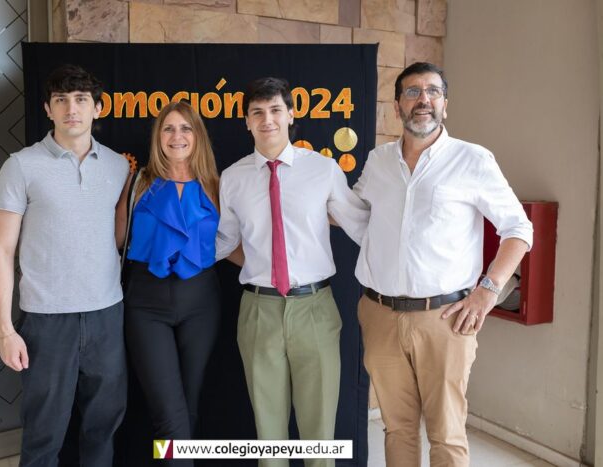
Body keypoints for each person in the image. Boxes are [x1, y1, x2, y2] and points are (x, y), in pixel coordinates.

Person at [353, 62, 534, 466]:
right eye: (412, 92)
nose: (424, 100)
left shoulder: (472, 159)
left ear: (445, 105)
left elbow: (519, 229)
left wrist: (488, 291)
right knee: (397, 429)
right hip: (379, 314)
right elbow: (357, 213)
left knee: (446, 434)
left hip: (445, 319)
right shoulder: (378, 161)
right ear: (397, 106)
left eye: (433, 91)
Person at [215, 77, 369, 467]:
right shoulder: (233, 178)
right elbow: (224, 241)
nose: (267, 119)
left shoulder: (323, 170)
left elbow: (361, 226)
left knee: (319, 434)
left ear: (291, 115)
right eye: (257, 112)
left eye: (275, 110)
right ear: (247, 121)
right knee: (269, 436)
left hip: (314, 308)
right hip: (259, 310)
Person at [0, 64, 129, 466]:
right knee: (43, 435)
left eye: (81, 99)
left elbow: (116, 237)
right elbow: (1, 251)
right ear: (48, 109)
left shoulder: (118, 166)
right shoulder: (21, 165)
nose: (72, 109)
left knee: (103, 428)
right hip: (46, 321)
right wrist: (5, 330)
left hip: (106, 315)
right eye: (61, 100)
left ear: (98, 108)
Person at [116, 101, 220, 465]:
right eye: (169, 128)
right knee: (168, 412)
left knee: (188, 407)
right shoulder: (138, 182)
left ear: (197, 136)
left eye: (186, 128)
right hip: (146, 303)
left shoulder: (216, 185)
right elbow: (117, 239)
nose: (177, 136)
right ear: (158, 137)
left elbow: (235, 242)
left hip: (201, 302)